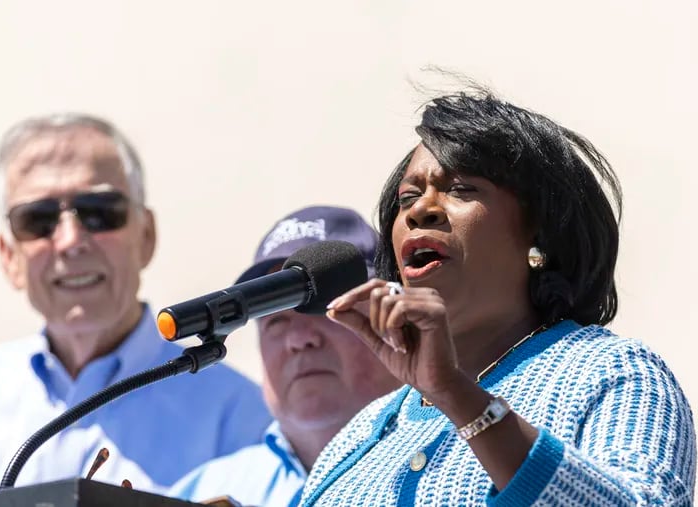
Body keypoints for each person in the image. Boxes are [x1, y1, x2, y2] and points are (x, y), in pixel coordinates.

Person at [298, 87, 697, 506]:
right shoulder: (361, 435)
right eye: (408, 199)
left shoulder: (611, 374)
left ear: (541, 233)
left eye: (462, 189)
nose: (420, 211)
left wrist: (457, 394)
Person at [0, 113, 272, 500]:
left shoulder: (240, 417)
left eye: (99, 211)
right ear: (8, 256)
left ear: (146, 236)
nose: (70, 241)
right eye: (38, 219)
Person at [169, 205, 402, 507]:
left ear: (392, 316)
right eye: (275, 320)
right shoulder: (201, 493)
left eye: (325, 309)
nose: (299, 338)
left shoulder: (456, 460)